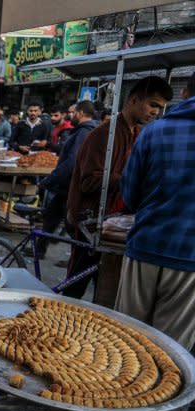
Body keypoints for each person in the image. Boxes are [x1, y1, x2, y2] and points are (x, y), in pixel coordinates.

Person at [65, 76, 172, 302]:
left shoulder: (137, 134)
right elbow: (89, 182)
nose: (155, 112)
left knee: (106, 288)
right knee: (75, 286)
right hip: (89, 221)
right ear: (133, 100)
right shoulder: (103, 134)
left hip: (115, 220)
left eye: (160, 108)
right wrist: (131, 179)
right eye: (152, 105)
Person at [116, 85, 195, 355]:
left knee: (124, 341)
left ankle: (115, 395)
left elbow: (129, 195)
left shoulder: (154, 131)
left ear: (185, 92)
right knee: (169, 354)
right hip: (189, 260)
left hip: (145, 246)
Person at [35, 100, 98, 259]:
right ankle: (40, 249)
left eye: (72, 112)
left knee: (72, 226)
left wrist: (49, 181)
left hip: (71, 187)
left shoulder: (84, 132)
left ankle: (81, 257)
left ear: (81, 113)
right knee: (51, 217)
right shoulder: (84, 131)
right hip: (66, 187)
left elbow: (71, 162)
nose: (70, 115)